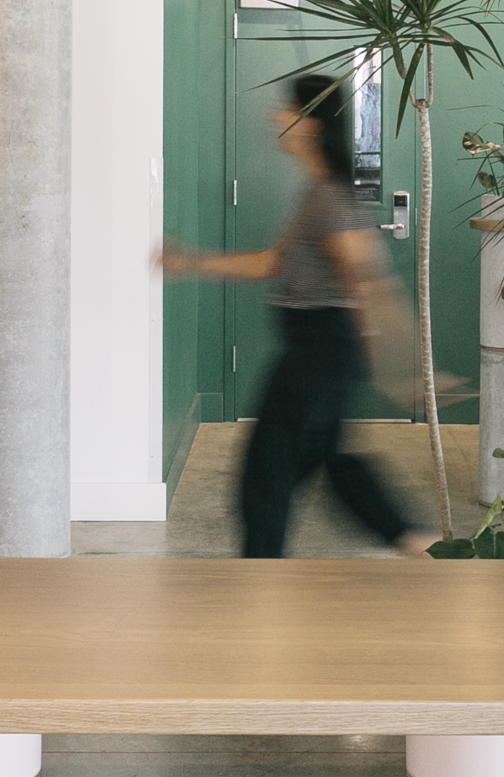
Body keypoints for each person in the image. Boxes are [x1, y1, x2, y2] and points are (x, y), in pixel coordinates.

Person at [160, 74, 436, 559]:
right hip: (319, 353)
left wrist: (400, 365)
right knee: (332, 465)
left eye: (286, 109)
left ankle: (260, 584)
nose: (275, 116)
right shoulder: (317, 194)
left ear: (310, 124)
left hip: (318, 356)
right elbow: (271, 263)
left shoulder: (329, 197)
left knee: (265, 479)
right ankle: (422, 545)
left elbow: (369, 280)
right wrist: (189, 262)